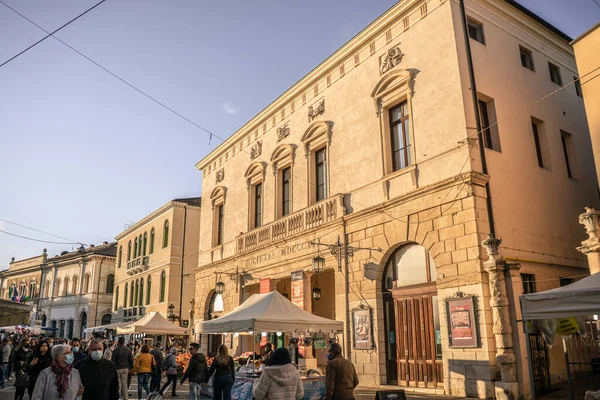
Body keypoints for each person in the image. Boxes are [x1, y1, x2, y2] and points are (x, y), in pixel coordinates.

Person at [112, 336, 134, 400]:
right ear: (124, 342)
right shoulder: (128, 349)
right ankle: (125, 398)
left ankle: (115, 397)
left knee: (116, 384)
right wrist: (130, 368)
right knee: (124, 384)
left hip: (117, 368)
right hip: (125, 368)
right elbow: (131, 360)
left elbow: (113, 360)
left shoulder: (116, 350)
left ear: (118, 342)